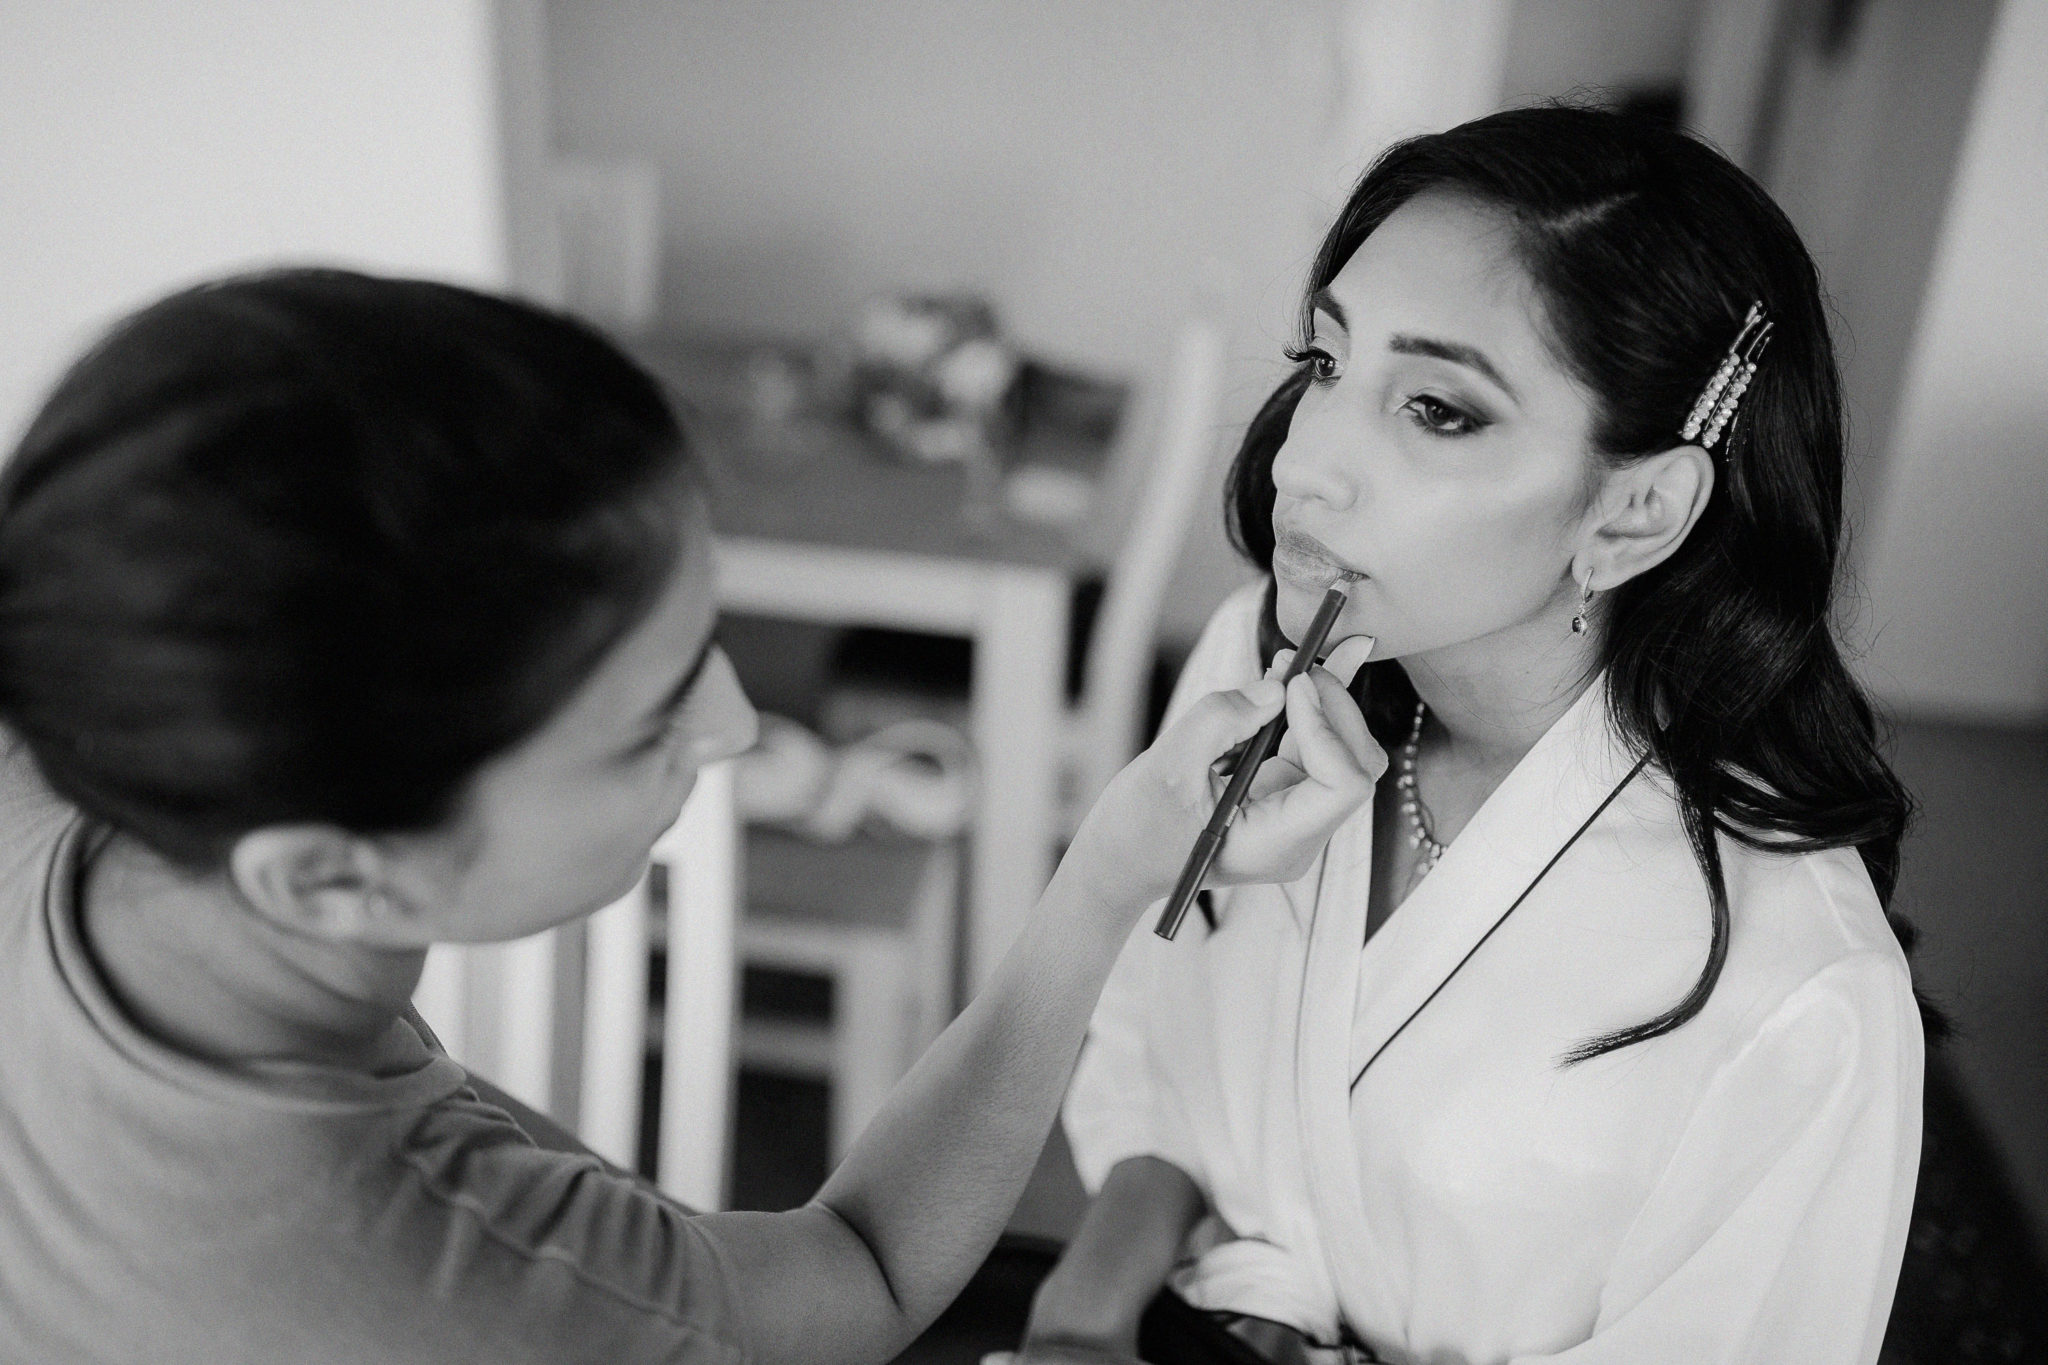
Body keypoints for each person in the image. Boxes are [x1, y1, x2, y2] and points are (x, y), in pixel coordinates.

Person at [0, 269, 1385, 1364]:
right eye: (650, 719)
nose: (730, 723)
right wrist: (1105, 872)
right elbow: (869, 1268)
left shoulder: (82, 728)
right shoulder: (487, 1297)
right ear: (331, 877)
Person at [1007, 105, 1930, 1365]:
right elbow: (1146, 1046)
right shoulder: (1254, 671)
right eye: (1326, 363)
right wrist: (1082, 1308)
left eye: (1437, 410)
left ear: (1632, 512)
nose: (1306, 463)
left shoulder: (1805, 1001)